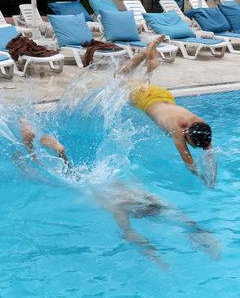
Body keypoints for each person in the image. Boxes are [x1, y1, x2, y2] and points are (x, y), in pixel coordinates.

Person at [16, 119, 221, 269]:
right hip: (91, 187)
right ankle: (36, 145)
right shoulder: (125, 205)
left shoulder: (139, 197)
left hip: (100, 180)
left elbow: (177, 219)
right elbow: (130, 233)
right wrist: (157, 258)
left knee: (65, 173)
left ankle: (55, 149)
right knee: (43, 175)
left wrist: (197, 232)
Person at [117, 36, 217, 186]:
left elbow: (209, 152)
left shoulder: (201, 127)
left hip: (163, 95)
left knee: (145, 81)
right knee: (119, 77)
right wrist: (204, 179)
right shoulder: (178, 130)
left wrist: (213, 177)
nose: (194, 147)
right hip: (147, 99)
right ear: (186, 132)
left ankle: (150, 57)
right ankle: (146, 54)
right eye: (192, 144)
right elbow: (188, 161)